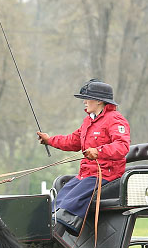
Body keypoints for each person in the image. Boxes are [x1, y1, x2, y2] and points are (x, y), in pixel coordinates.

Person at [37, 79, 130, 234]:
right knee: (59, 199)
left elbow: (122, 146)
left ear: (99, 101)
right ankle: (47, 234)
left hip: (106, 175)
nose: (84, 102)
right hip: (86, 175)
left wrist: (98, 151)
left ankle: (58, 235)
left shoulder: (115, 119)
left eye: (87, 98)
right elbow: (72, 141)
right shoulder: (88, 121)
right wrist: (50, 140)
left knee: (68, 203)